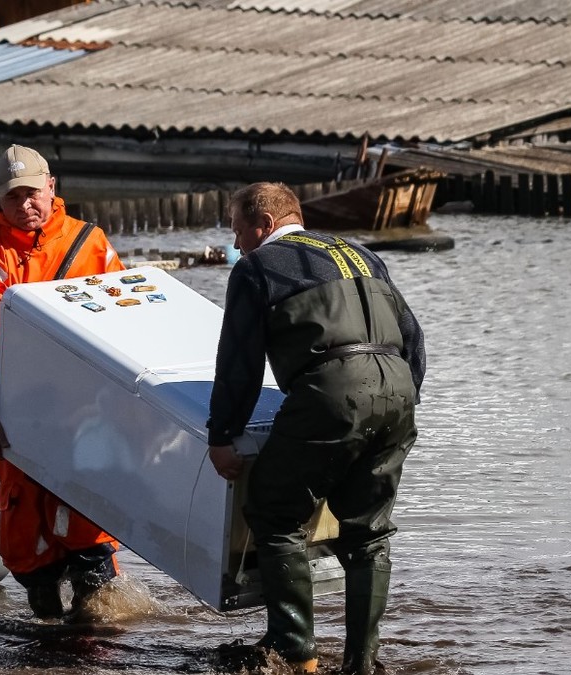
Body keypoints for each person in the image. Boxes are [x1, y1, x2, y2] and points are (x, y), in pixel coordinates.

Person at [206, 182, 425, 674]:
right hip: (398, 387)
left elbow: (238, 365)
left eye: (238, 228)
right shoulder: (363, 254)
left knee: (274, 513)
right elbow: (413, 337)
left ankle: (296, 655)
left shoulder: (256, 267)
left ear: (263, 224)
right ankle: (362, 663)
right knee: (368, 534)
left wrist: (221, 436)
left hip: (333, 387)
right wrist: (398, 403)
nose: (236, 241)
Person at [0, 144, 123, 620]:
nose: (25, 205)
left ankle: (99, 621)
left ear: (52, 188)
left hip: (90, 404)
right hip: (20, 407)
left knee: (91, 518)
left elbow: (126, 317)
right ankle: (46, 614)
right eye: (13, 197)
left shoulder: (90, 242)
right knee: (24, 529)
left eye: (32, 193)